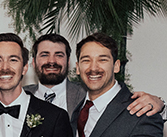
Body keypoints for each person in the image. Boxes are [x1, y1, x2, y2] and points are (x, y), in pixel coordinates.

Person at [24, 33, 165, 119]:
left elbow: (128, 108)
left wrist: (160, 106)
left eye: (59, 55)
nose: (52, 61)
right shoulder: (20, 95)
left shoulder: (90, 95)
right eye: (44, 55)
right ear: (33, 63)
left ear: (69, 62)